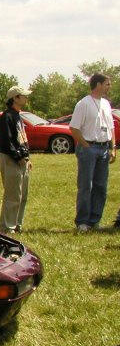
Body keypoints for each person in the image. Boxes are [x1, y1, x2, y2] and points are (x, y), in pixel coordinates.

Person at [70, 73, 114, 231]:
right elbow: (74, 128)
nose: (109, 87)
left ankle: (94, 221)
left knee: (101, 186)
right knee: (86, 185)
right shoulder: (84, 103)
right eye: (107, 84)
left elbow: (111, 127)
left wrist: (113, 147)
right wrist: (86, 146)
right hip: (88, 147)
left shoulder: (106, 104)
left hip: (104, 148)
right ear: (98, 85)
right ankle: (82, 221)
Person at [0, 86, 32, 234]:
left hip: (22, 159)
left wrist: (27, 157)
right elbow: (6, 141)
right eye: (24, 95)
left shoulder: (18, 115)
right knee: (13, 194)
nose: (26, 98)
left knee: (22, 194)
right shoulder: (7, 116)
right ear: (15, 98)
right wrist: (18, 156)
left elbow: (21, 138)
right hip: (11, 159)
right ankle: (7, 226)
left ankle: (17, 223)